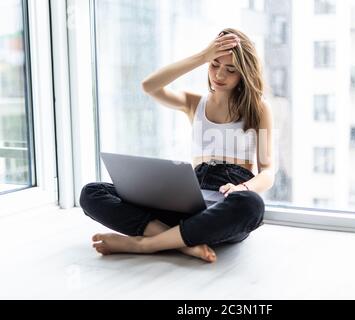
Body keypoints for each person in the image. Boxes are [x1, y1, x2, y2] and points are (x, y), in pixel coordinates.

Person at [79, 28, 274, 263]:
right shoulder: (194, 103)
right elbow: (149, 86)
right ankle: (181, 244)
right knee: (92, 192)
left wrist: (243, 188)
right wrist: (203, 55)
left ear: (244, 73)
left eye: (231, 69)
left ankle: (146, 244)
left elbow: (268, 172)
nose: (220, 75)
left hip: (228, 198)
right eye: (214, 65)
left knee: (252, 206)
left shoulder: (259, 109)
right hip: (188, 197)